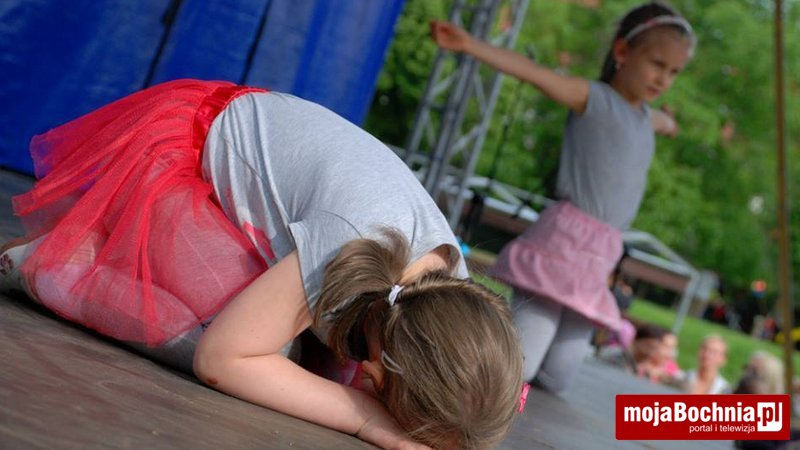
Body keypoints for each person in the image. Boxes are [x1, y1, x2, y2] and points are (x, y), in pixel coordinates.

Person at [0, 79, 525, 450]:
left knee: (309, 368)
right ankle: (53, 266)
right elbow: (222, 359)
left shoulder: (441, 292)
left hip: (273, 199)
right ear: (384, 366)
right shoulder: (351, 243)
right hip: (184, 160)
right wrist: (364, 418)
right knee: (253, 345)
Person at [431, 1, 695, 392]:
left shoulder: (646, 118)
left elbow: (663, 123)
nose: (664, 78)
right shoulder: (593, 97)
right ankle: (451, 359)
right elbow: (533, 72)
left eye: (674, 71)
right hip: (565, 243)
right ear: (622, 51)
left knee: (558, 378)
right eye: (657, 64)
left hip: (599, 257)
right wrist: (471, 44)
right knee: (521, 364)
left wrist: (671, 123)